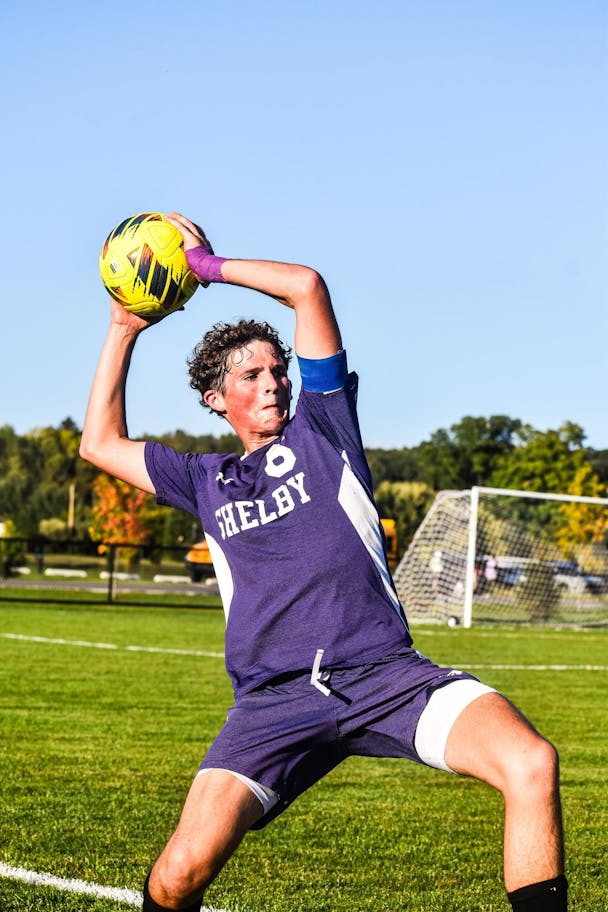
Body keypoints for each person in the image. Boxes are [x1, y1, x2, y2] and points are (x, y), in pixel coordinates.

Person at [80, 212, 567, 912]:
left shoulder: (325, 428)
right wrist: (125, 328)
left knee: (531, 761)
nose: (274, 382)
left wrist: (205, 269)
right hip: (273, 702)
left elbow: (306, 288)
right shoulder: (205, 481)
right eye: (252, 375)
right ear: (217, 400)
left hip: (388, 677)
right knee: (176, 877)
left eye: (279, 370)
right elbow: (99, 441)